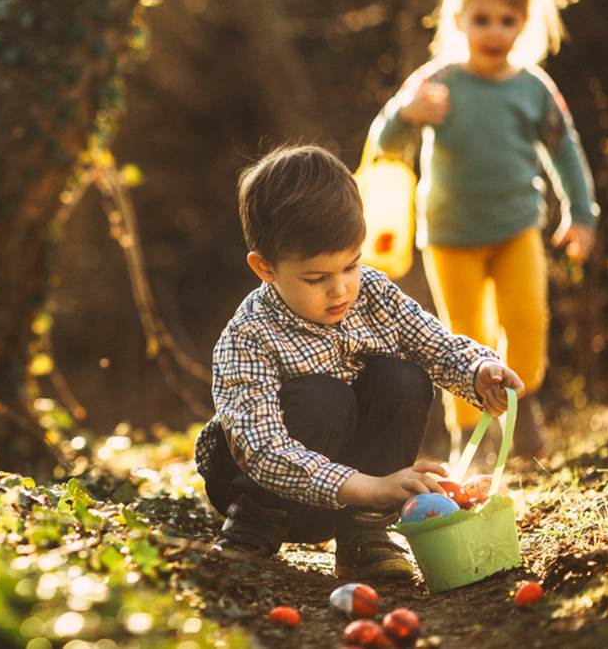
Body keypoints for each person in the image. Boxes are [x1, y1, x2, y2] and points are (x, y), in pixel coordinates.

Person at [194, 145, 525, 579]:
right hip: (268, 489)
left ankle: (364, 536)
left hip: (355, 497)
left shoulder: (372, 293)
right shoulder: (249, 335)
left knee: (404, 378)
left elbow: (433, 343)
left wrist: (477, 370)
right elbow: (263, 449)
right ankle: (250, 531)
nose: (341, 290)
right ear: (265, 268)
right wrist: (370, 486)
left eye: (351, 266)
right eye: (317, 278)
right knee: (323, 397)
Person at [372, 0, 598, 458]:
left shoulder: (533, 88)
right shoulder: (436, 83)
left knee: (526, 323)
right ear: (458, 18)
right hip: (450, 237)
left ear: (525, 21)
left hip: (516, 227)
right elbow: (384, 144)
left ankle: (524, 411)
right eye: (482, 20)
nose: (495, 32)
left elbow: (565, 151)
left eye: (508, 20)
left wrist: (581, 214)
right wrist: (406, 113)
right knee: (463, 338)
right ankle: (464, 437)